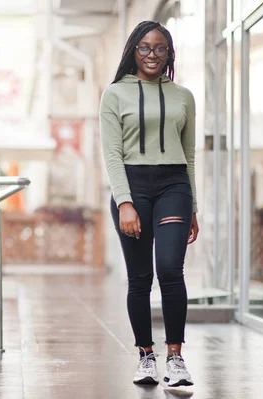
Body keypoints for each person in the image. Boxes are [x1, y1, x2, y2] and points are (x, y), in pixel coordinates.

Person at [99, 21, 199, 387]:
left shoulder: (184, 96)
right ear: (133, 52)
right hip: (133, 185)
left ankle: (175, 358)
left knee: (171, 270)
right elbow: (111, 154)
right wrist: (125, 201)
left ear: (169, 53)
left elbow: (189, 154)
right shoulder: (114, 94)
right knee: (140, 278)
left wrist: (194, 207)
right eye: (144, 48)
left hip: (174, 185)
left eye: (159, 48)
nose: (152, 55)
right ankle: (146, 356)